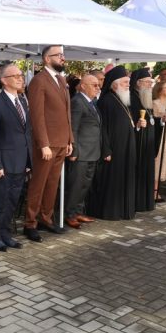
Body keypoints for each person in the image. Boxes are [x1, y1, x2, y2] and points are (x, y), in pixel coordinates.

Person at [25, 45, 73, 242]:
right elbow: (37, 116)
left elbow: (67, 112)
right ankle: (30, 223)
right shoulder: (39, 81)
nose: (62, 58)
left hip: (61, 141)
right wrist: (43, 143)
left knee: (52, 183)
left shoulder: (61, 80)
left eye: (63, 55)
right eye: (58, 55)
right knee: (39, 183)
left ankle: (45, 218)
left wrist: (70, 139)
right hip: (46, 143)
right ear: (46, 58)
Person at [0, 63, 31, 251]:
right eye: (16, 76)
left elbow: (26, 133)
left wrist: (28, 160)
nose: (20, 78)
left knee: (12, 201)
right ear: (3, 80)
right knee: (0, 202)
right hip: (3, 163)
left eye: (21, 75)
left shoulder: (23, 101)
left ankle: (5, 233)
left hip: (21, 161)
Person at [88, 66, 140, 220]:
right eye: (125, 82)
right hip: (113, 149)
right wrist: (106, 149)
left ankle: (123, 209)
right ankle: (111, 211)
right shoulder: (106, 101)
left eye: (128, 82)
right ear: (115, 84)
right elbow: (102, 129)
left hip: (126, 148)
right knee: (112, 180)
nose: (128, 85)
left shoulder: (123, 100)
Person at [64, 75, 102, 229]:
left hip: (92, 152)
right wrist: (74, 151)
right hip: (81, 153)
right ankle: (69, 214)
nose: (98, 88)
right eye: (94, 85)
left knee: (84, 185)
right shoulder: (78, 102)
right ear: (83, 86)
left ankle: (78, 211)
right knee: (75, 185)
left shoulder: (92, 102)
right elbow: (73, 128)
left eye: (98, 85)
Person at [130, 68, 156, 213]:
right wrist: (138, 126)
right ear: (138, 82)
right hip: (138, 141)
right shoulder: (131, 98)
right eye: (147, 82)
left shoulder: (146, 96)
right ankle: (138, 202)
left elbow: (151, 117)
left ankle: (147, 201)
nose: (150, 85)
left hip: (148, 141)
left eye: (151, 82)